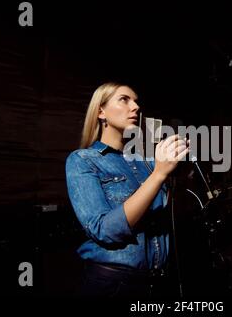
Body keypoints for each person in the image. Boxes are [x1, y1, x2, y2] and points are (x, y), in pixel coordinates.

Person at [65, 82, 189, 298]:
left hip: (157, 282)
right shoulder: (83, 160)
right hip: (114, 285)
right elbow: (104, 230)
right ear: (101, 112)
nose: (135, 107)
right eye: (124, 99)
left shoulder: (147, 163)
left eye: (136, 101)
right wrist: (159, 175)